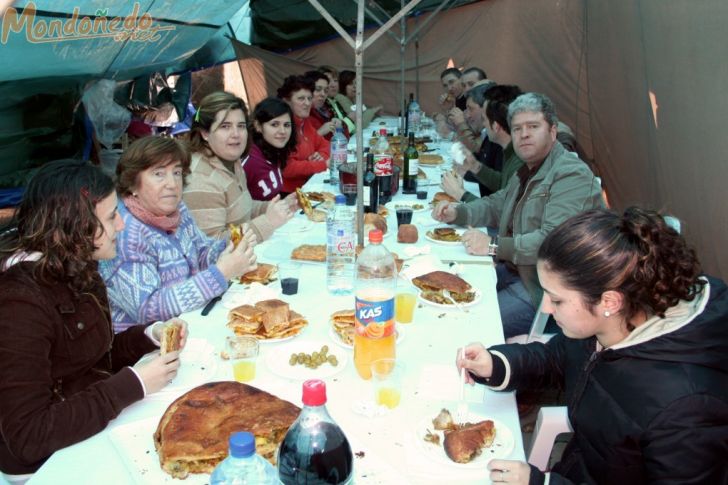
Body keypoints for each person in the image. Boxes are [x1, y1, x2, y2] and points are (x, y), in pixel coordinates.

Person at [456, 207, 728, 484]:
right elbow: (556, 358)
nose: (546, 308)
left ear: (609, 302)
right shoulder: (609, 326)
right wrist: (497, 364)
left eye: (557, 299)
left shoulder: (687, 409)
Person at [0, 160, 187, 477]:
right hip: (47, 465)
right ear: (75, 227)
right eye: (112, 217)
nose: (122, 226)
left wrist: (148, 336)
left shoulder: (79, 268)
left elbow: (93, 358)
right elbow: (28, 436)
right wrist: (133, 385)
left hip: (89, 431)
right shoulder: (20, 305)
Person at [433, 92, 604, 337]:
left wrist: (492, 246)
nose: (523, 134)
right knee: (443, 288)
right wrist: (458, 213)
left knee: (465, 326)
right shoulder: (529, 168)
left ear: (552, 131)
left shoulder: (570, 175)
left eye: (533, 127)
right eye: (517, 129)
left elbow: (551, 244)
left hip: (547, 289)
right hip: (517, 270)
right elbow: (497, 205)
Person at [100, 136, 258, 332]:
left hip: (190, 321)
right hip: (147, 347)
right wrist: (221, 273)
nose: (172, 184)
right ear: (132, 184)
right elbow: (147, 310)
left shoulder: (176, 210)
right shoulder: (125, 233)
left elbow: (201, 252)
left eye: (176, 173)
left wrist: (229, 247)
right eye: (159, 174)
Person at [183, 91, 296, 238]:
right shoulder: (201, 181)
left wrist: (276, 207)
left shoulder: (232, 161)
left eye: (241, 126)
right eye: (225, 126)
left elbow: (242, 208)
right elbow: (212, 245)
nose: (236, 134)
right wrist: (267, 222)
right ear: (205, 133)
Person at [442, 84, 524, 202]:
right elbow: (503, 184)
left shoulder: (521, 156)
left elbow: (503, 212)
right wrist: (475, 166)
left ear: (496, 126)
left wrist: (461, 194)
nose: (484, 126)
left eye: (485, 119)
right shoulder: (510, 150)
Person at [277, 75, 331, 193]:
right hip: (287, 193)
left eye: (309, 98)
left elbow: (326, 145)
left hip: (307, 186)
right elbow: (287, 168)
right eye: (301, 98)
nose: (307, 103)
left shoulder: (304, 121)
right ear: (287, 101)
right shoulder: (282, 127)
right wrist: (322, 164)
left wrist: (321, 155)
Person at [243, 97, 296, 201]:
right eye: (274, 124)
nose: (283, 131)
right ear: (258, 126)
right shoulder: (249, 162)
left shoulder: (274, 151)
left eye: (287, 125)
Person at [304, 70, 345, 140]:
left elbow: (336, 141)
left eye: (326, 91)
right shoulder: (299, 114)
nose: (323, 94)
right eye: (318, 89)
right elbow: (298, 148)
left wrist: (341, 126)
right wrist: (319, 133)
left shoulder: (325, 111)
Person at [318, 65, 356, 135]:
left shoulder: (335, 101)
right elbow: (332, 133)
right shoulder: (321, 104)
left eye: (335, 80)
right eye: (329, 81)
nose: (333, 85)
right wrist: (350, 119)